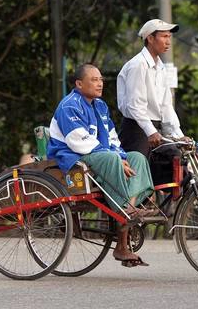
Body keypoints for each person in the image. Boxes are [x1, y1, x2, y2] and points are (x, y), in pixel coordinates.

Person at [47, 63, 155, 266]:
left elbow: (112, 138)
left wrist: (122, 157)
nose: (100, 84)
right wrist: (115, 159)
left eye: (101, 80)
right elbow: (79, 140)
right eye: (94, 80)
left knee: (137, 158)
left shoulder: (101, 106)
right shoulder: (69, 105)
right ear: (79, 84)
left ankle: (129, 207)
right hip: (73, 156)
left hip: (100, 155)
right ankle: (124, 210)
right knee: (112, 159)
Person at [117, 19, 188, 185]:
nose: (168, 41)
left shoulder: (160, 67)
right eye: (164, 36)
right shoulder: (137, 65)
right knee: (136, 175)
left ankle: (169, 207)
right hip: (137, 128)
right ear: (150, 38)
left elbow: (166, 105)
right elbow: (135, 105)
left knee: (177, 160)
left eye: (169, 37)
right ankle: (130, 208)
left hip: (154, 129)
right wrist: (150, 131)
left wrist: (178, 135)